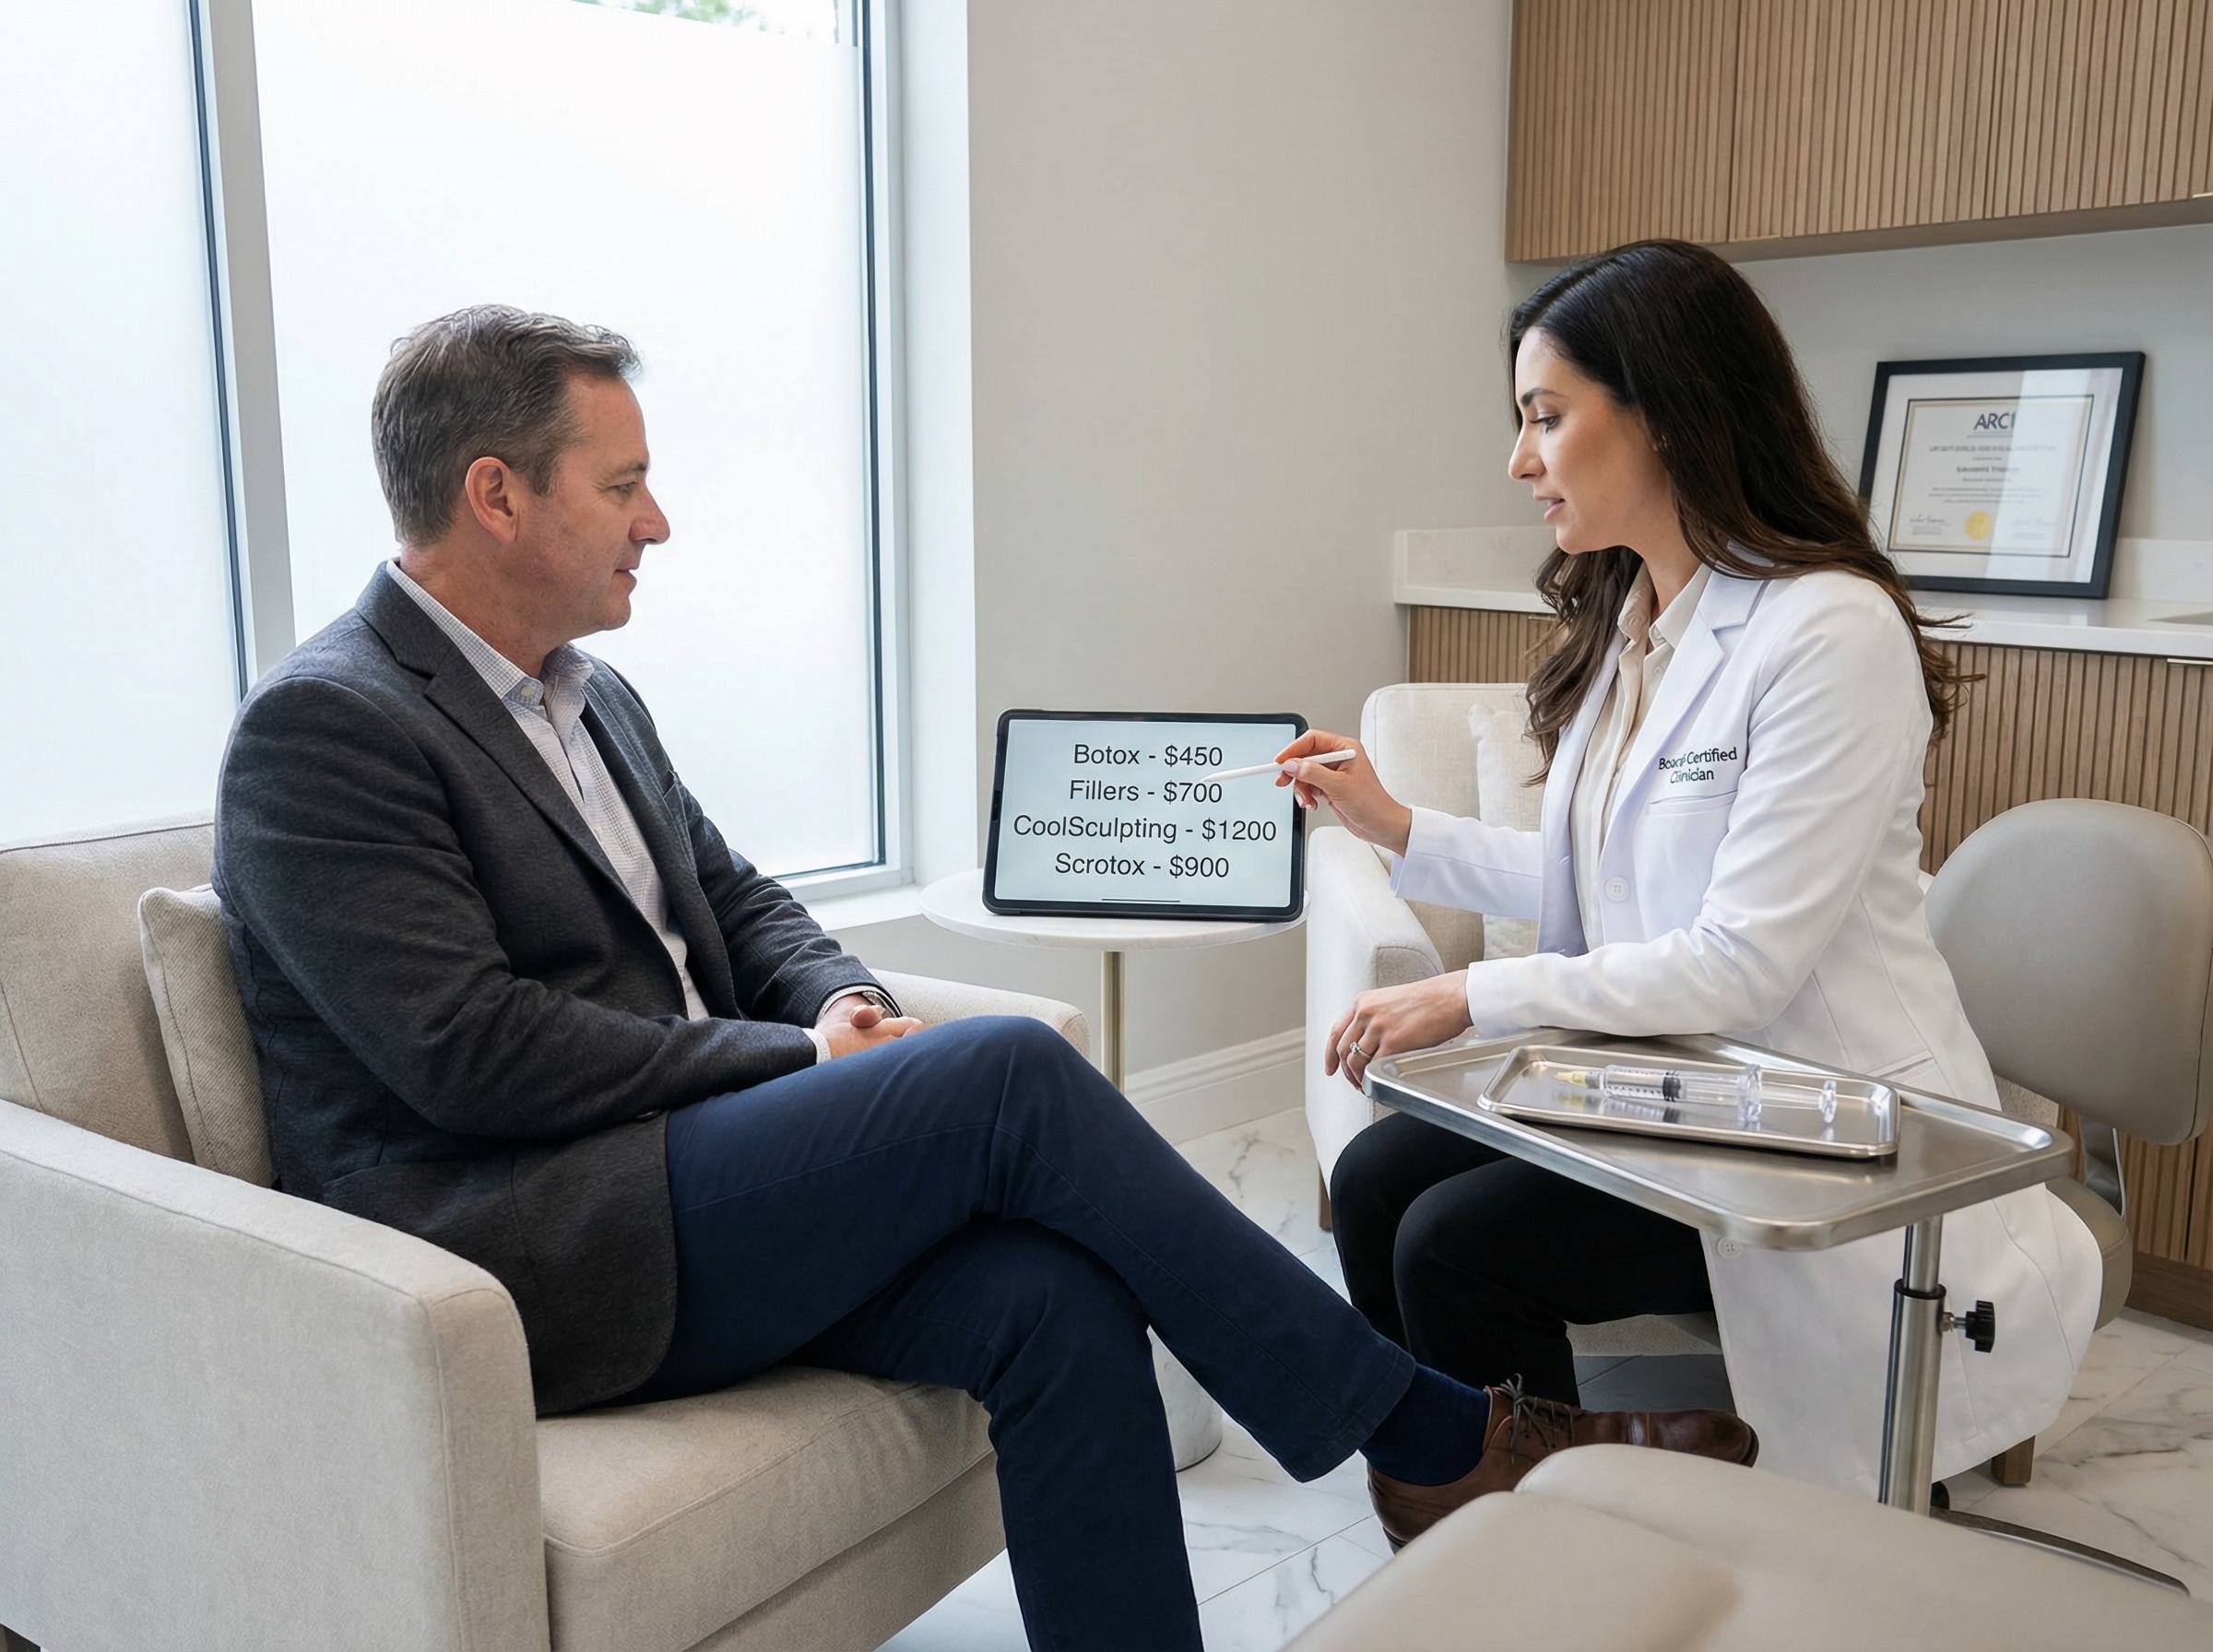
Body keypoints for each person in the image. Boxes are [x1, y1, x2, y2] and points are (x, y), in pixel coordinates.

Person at [212, 305, 1756, 1651]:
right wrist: (801, 1066)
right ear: (495, 494)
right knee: (1006, 1072)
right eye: (622, 486)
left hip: (685, 1172)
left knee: (1054, 1300)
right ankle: (1425, 1431)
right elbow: (467, 1052)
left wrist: (831, 1003)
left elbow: (738, 902)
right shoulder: (326, 728)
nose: (658, 521)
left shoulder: (586, 694)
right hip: (530, 1247)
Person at [1277, 240, 2101, 1499]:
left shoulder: (1829, 630)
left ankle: (1563, 1526)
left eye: (1546, 417)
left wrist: (1470, 995)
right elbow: (1603, 882)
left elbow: (1740, 960)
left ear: (1662, 412)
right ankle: (1458, 1498)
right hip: (1686, 1087)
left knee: (1451, 1245)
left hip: (1823, 1126)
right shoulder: (1638, 625)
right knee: (1378, 1178)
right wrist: (1396, 825)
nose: (1519, 462)